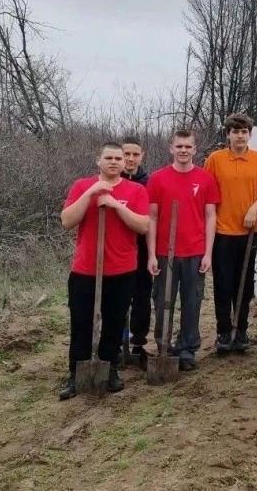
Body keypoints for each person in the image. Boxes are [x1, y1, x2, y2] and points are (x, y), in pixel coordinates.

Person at [59, 142, 150, 400]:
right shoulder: (82, 186)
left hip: (121, 269)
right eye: (108, 158)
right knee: (81, 322)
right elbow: (67, 221)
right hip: (85, 269)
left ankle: (109, 368)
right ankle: (77, 372)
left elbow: (143, 226)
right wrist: (91, 193)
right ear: (98, 160)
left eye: (118, 158)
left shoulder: (136, 190)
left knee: (114, 322)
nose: (114, 162)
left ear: (124, 162)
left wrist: (116, 205)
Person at [146, 129, 220, 371]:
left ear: (195, 149)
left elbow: (210, 216)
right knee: (163, 301)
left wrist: (208, 253)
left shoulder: (206, 179)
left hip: (195, 252)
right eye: (179, 146)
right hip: (164, 253)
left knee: (192, 302)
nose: (183, 150)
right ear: (171, 148)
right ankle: (163, 346)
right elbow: (152, 217)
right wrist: (151, 254)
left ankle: (187, 349)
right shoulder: (157, 179)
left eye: (188, 146)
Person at [205, 113, 257, 353]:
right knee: (223, 284)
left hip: (249, 231)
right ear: (228, 134)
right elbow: (207, 192)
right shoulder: (215, 159)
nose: (240, 136)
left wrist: (254, 208)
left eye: (244, 132)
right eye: (235, 132)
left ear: (249, 135)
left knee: (244, 285)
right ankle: (224, 332)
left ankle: (241, 330)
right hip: (222, 230)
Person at [118, 136, 152, 367]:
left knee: (142, 295)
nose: (130, 159)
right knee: (119, 296)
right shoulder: (111, 180)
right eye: (126, 154)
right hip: (118, 248)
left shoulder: (149, 182)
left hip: (143, 247)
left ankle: (138, 342)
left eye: (135, 154)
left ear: (142, 156)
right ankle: (117, 342)